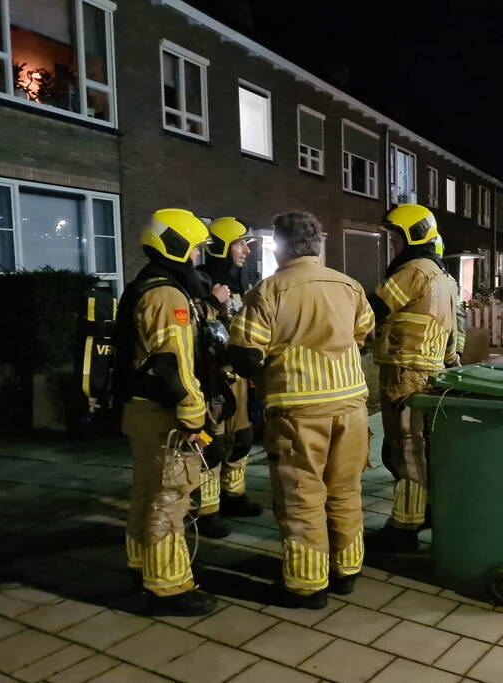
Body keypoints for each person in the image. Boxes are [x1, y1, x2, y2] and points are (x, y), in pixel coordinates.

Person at [227, 211, 374, 609]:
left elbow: (246, 354)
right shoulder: (349, 286)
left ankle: (307, 586)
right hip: (352, 406)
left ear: (281, 247)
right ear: (317, 245)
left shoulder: (269, 290)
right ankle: (347, 571)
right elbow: (365, 336)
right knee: (346, 489)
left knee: (302, 496)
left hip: (299, 409)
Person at [113, 208, 219, 617]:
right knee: (171, 498)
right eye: (194, 249)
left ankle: (142, 566)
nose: (197, 257)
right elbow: (173, 364)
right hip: (163, 416)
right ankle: (169, 587)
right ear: (176, 246)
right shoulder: (167, 296)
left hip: (141, 410)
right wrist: (193, 416)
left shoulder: (144, 286)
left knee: (147, 493)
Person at [365, 204, 460, 553]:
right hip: (430, 374)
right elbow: (452, 334)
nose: (392, 243)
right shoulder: (443, 277)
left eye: (395, 236)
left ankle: (404, 527)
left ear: (412, 235)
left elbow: (373, 309)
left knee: (406, 449)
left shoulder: (413, 271)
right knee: (422, 449)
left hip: (404, 374)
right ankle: (427, 510)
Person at [193, 217, 263, 523]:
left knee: (243, 438)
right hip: (212, 380)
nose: (246, 251)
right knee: (214, 443)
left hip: (239, 377)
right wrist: (211, 302)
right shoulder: (199, 281)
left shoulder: (242, 284)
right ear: (221, 247)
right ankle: (207, 510)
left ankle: (234, 496)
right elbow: (190, 328)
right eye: (239, 244)